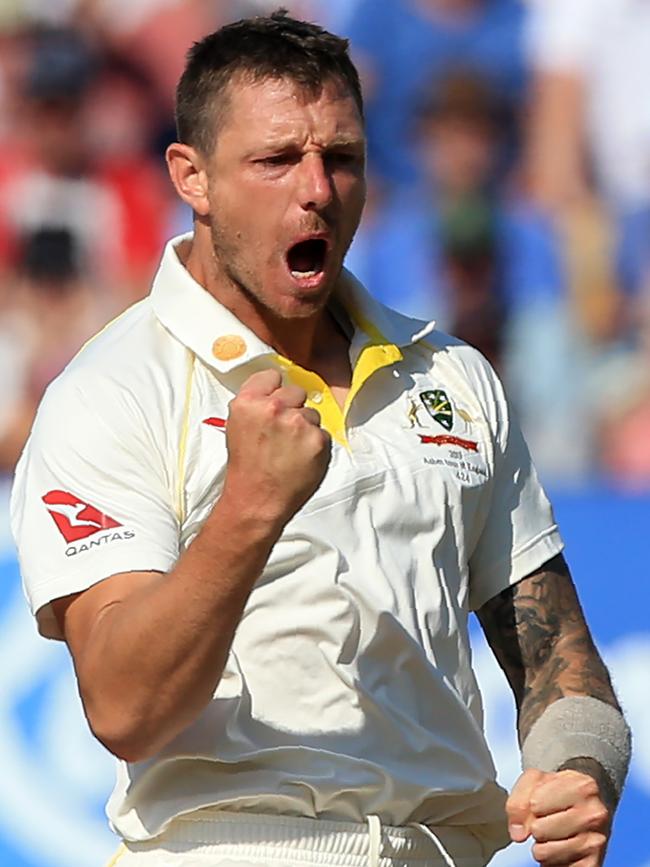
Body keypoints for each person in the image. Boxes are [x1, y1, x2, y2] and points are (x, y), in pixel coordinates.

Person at [10, 11, 630, 867]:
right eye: (275, 160)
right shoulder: (112, 387)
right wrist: (249, 509)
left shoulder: (450, 374)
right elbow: (122, 707)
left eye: (341, 158)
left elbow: (561, 663)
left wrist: (577, 768)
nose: (317, 190)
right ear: (191, 176)